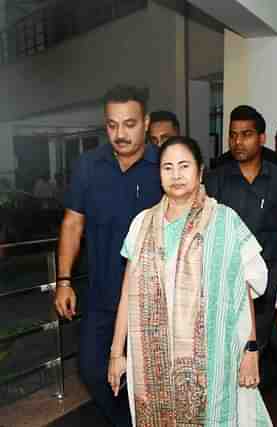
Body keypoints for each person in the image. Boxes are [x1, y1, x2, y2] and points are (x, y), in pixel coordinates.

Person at [107, 136, 272, 426]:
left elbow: (243, 289)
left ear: (199, 171)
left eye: (184, 166)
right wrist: (116, 352)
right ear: (159, 175)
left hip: (214, 355)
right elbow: (127, 292)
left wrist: (251, 350)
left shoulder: (225, 221)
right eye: (167, 167)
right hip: (152, 360)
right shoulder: (142, 224)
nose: (176, 175)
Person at [54, 85, 163, 427]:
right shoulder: (89, 166)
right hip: (101, 295)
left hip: (153, 299)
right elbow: (72, 223)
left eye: (129, 124)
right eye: (112, 125)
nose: (120, 134)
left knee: (152, 382)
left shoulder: (164, 166)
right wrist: (63, 280)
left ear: (145, 123)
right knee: (91, 369)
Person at [205, 105, 277, 362]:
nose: (238, 141)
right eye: (233, 135)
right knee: (225, 349)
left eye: (246, 134)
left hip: (267, 281)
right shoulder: (215, 180)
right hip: (226, 281)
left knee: (256, 351)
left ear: (262, 138)